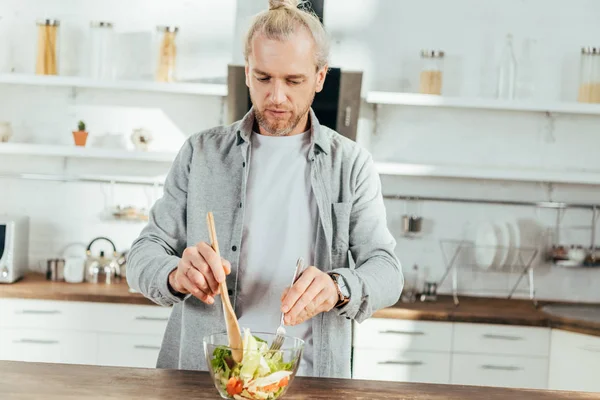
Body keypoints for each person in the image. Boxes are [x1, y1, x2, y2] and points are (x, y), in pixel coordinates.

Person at [126, 0, 403, 379]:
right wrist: (175, 273)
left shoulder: (351, 164)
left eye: (293, 81)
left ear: (320, 77)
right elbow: (143, 254)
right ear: (247, 73)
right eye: (263, 78)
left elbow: (387, 270)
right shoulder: (200, 153)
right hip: (204, 377)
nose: (276, 96)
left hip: (308, 379)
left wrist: (338, 286)